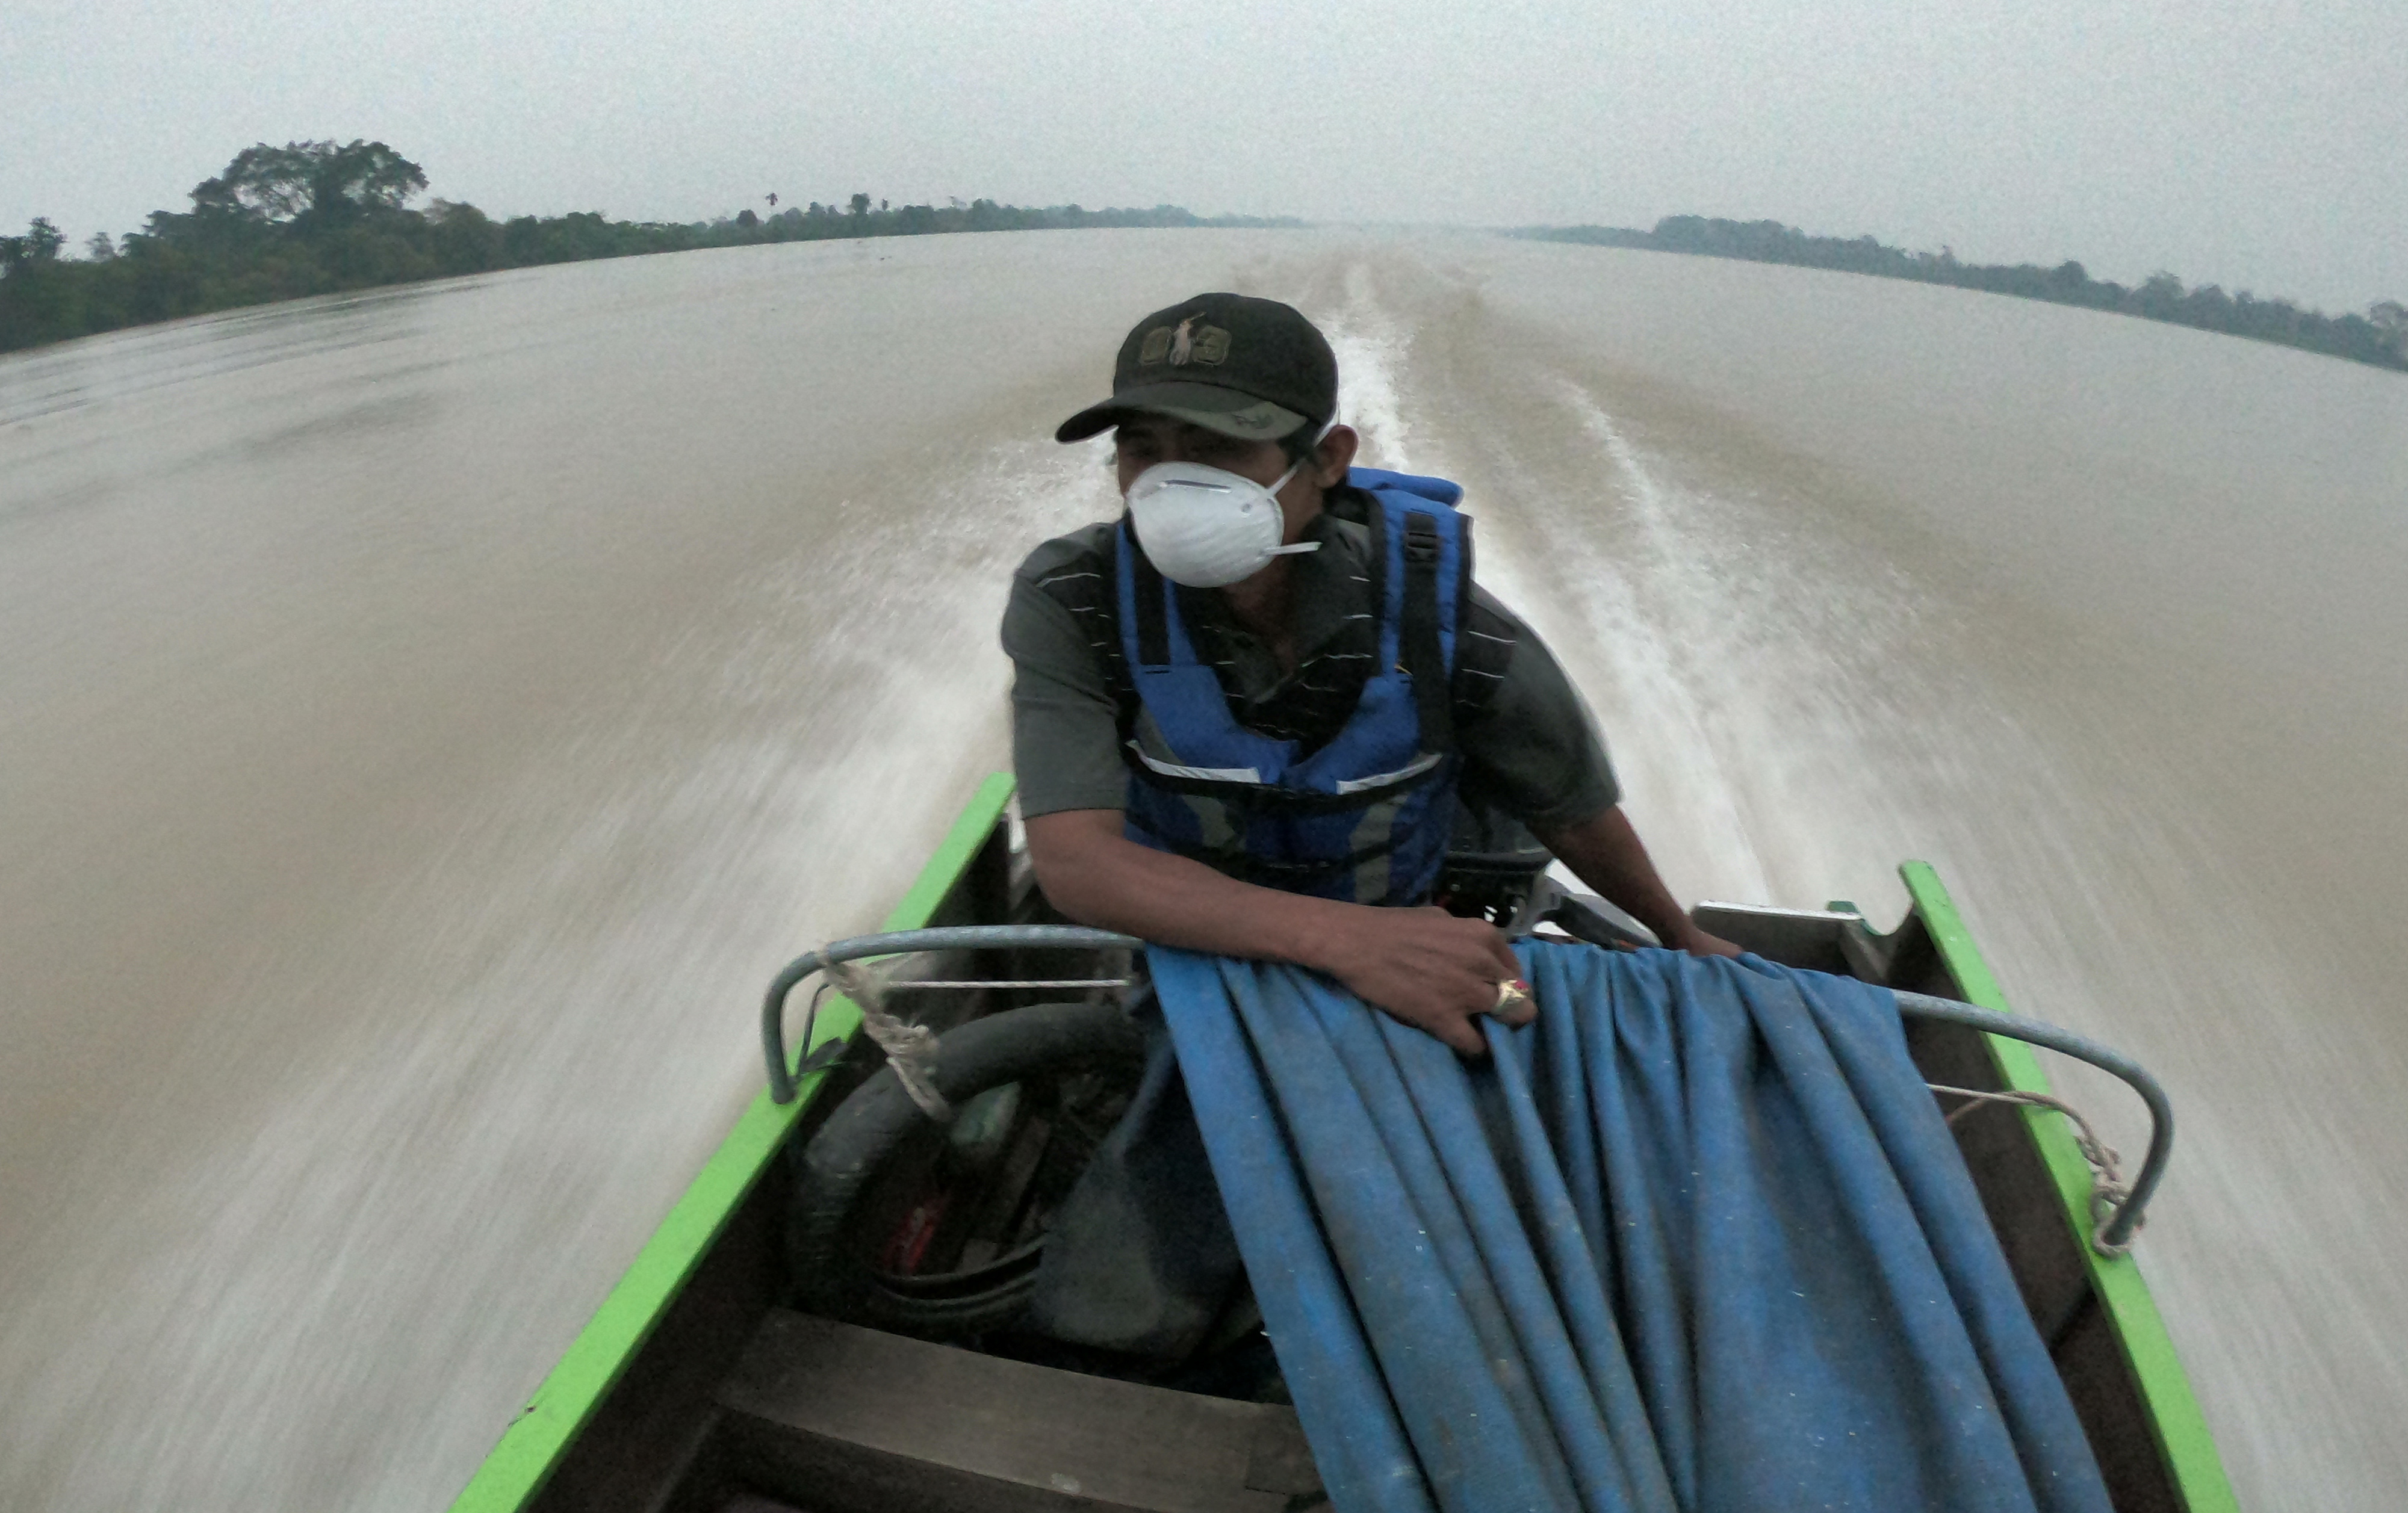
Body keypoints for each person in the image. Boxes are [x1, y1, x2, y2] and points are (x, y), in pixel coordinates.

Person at [1002, 292, 1737, 1057]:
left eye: (1217, 447)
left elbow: (1571, 808)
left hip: (1416, 949)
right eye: (1144, 449)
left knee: (1526, 1021)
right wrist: (1347, 942)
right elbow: (1077, 862)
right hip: (1190, 966)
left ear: (1325, 459)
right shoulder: (1073, 600)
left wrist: (1678, 934)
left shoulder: (1442, 621)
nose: (1172, 483)